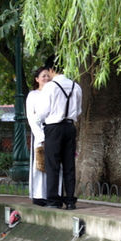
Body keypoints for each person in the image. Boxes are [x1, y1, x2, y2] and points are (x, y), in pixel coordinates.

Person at [35, 61, 82, 209]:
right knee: (69, 164)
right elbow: (78, 110)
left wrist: (39, 119)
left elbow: (42, 112)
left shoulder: (50, 87)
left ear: (51, 69)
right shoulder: (76, 86)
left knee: (52, 165)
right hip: (70, 127)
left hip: (54, 128)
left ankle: (54, 201)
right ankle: (69, 200)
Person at [25, 66, 56, 205]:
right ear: (37, 79)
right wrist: (40, 136)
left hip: (54, 132)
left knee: (54, 164)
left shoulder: (55, 93)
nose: (46, 78)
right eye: (43, 76)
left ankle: (53, 194)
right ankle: (38, 195)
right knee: (40, 164)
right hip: (40, 132)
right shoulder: (33, 95)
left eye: (48, 75)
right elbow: (31, 117)